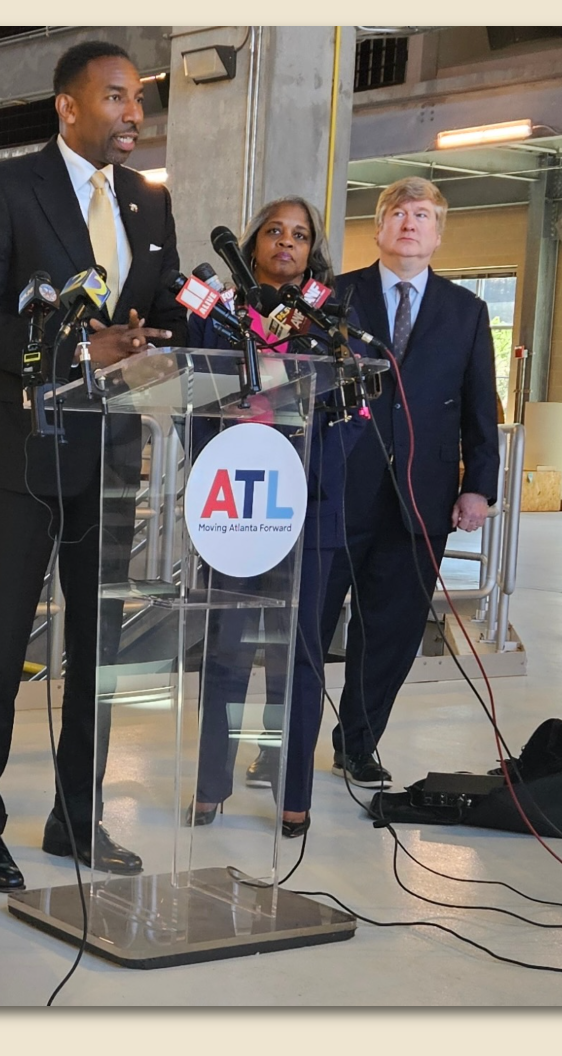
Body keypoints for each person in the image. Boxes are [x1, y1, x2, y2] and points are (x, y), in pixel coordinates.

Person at [0, 40, 185, 891]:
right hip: (23, 456)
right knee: (2, 649)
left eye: (139, 100)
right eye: (116, 97)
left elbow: (164, 316)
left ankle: (76, 819)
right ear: (69, 106)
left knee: (98, 653)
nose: (133, 114)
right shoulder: (7, 188)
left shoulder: (149, 206)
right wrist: (80, 346)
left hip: (113, 454)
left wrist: (169, 345)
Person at [186, 197, 365, 838]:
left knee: (304, 655)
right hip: (234, 503)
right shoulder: (220, 314)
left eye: (300, 234)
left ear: (311, 248)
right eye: (273, 231)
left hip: (309, 499)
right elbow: (191, 393)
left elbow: (350, 405)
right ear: (253, 242)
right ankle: (211, 787)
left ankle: (295, 795)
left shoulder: (328, 319)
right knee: (227, 653)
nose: (285, 242)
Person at [324, 176, 500, 788]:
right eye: (398, 213)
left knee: (392, 629)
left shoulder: (467, 312)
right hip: (337, 490)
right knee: (310, 621)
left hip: (420, 500)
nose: (409, 223)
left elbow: (482, 406)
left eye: (422, 215)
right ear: (377, 228)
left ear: (438, 234)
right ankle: (281, 744)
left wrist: (478, 485)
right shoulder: (334, 299)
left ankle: (359, 744)